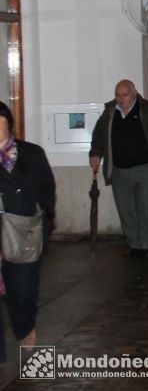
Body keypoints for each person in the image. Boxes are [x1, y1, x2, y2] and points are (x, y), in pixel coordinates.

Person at [89, 80, 148, 258]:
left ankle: (147, 244)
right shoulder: (111, 112)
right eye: (118, 95)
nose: (121, 99)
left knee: (145, 204)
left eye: (125, 95)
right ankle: (134, 243)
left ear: (134, 93)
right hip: (120, 170)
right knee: (126, 208)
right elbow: (99, 134)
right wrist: (95, 152)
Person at [0, 102, 55, 357]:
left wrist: (42, 220)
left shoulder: (32, 154)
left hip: (23, 233)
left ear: (8, 124)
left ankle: (26, 332)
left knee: (22, 291)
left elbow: (47, 188)